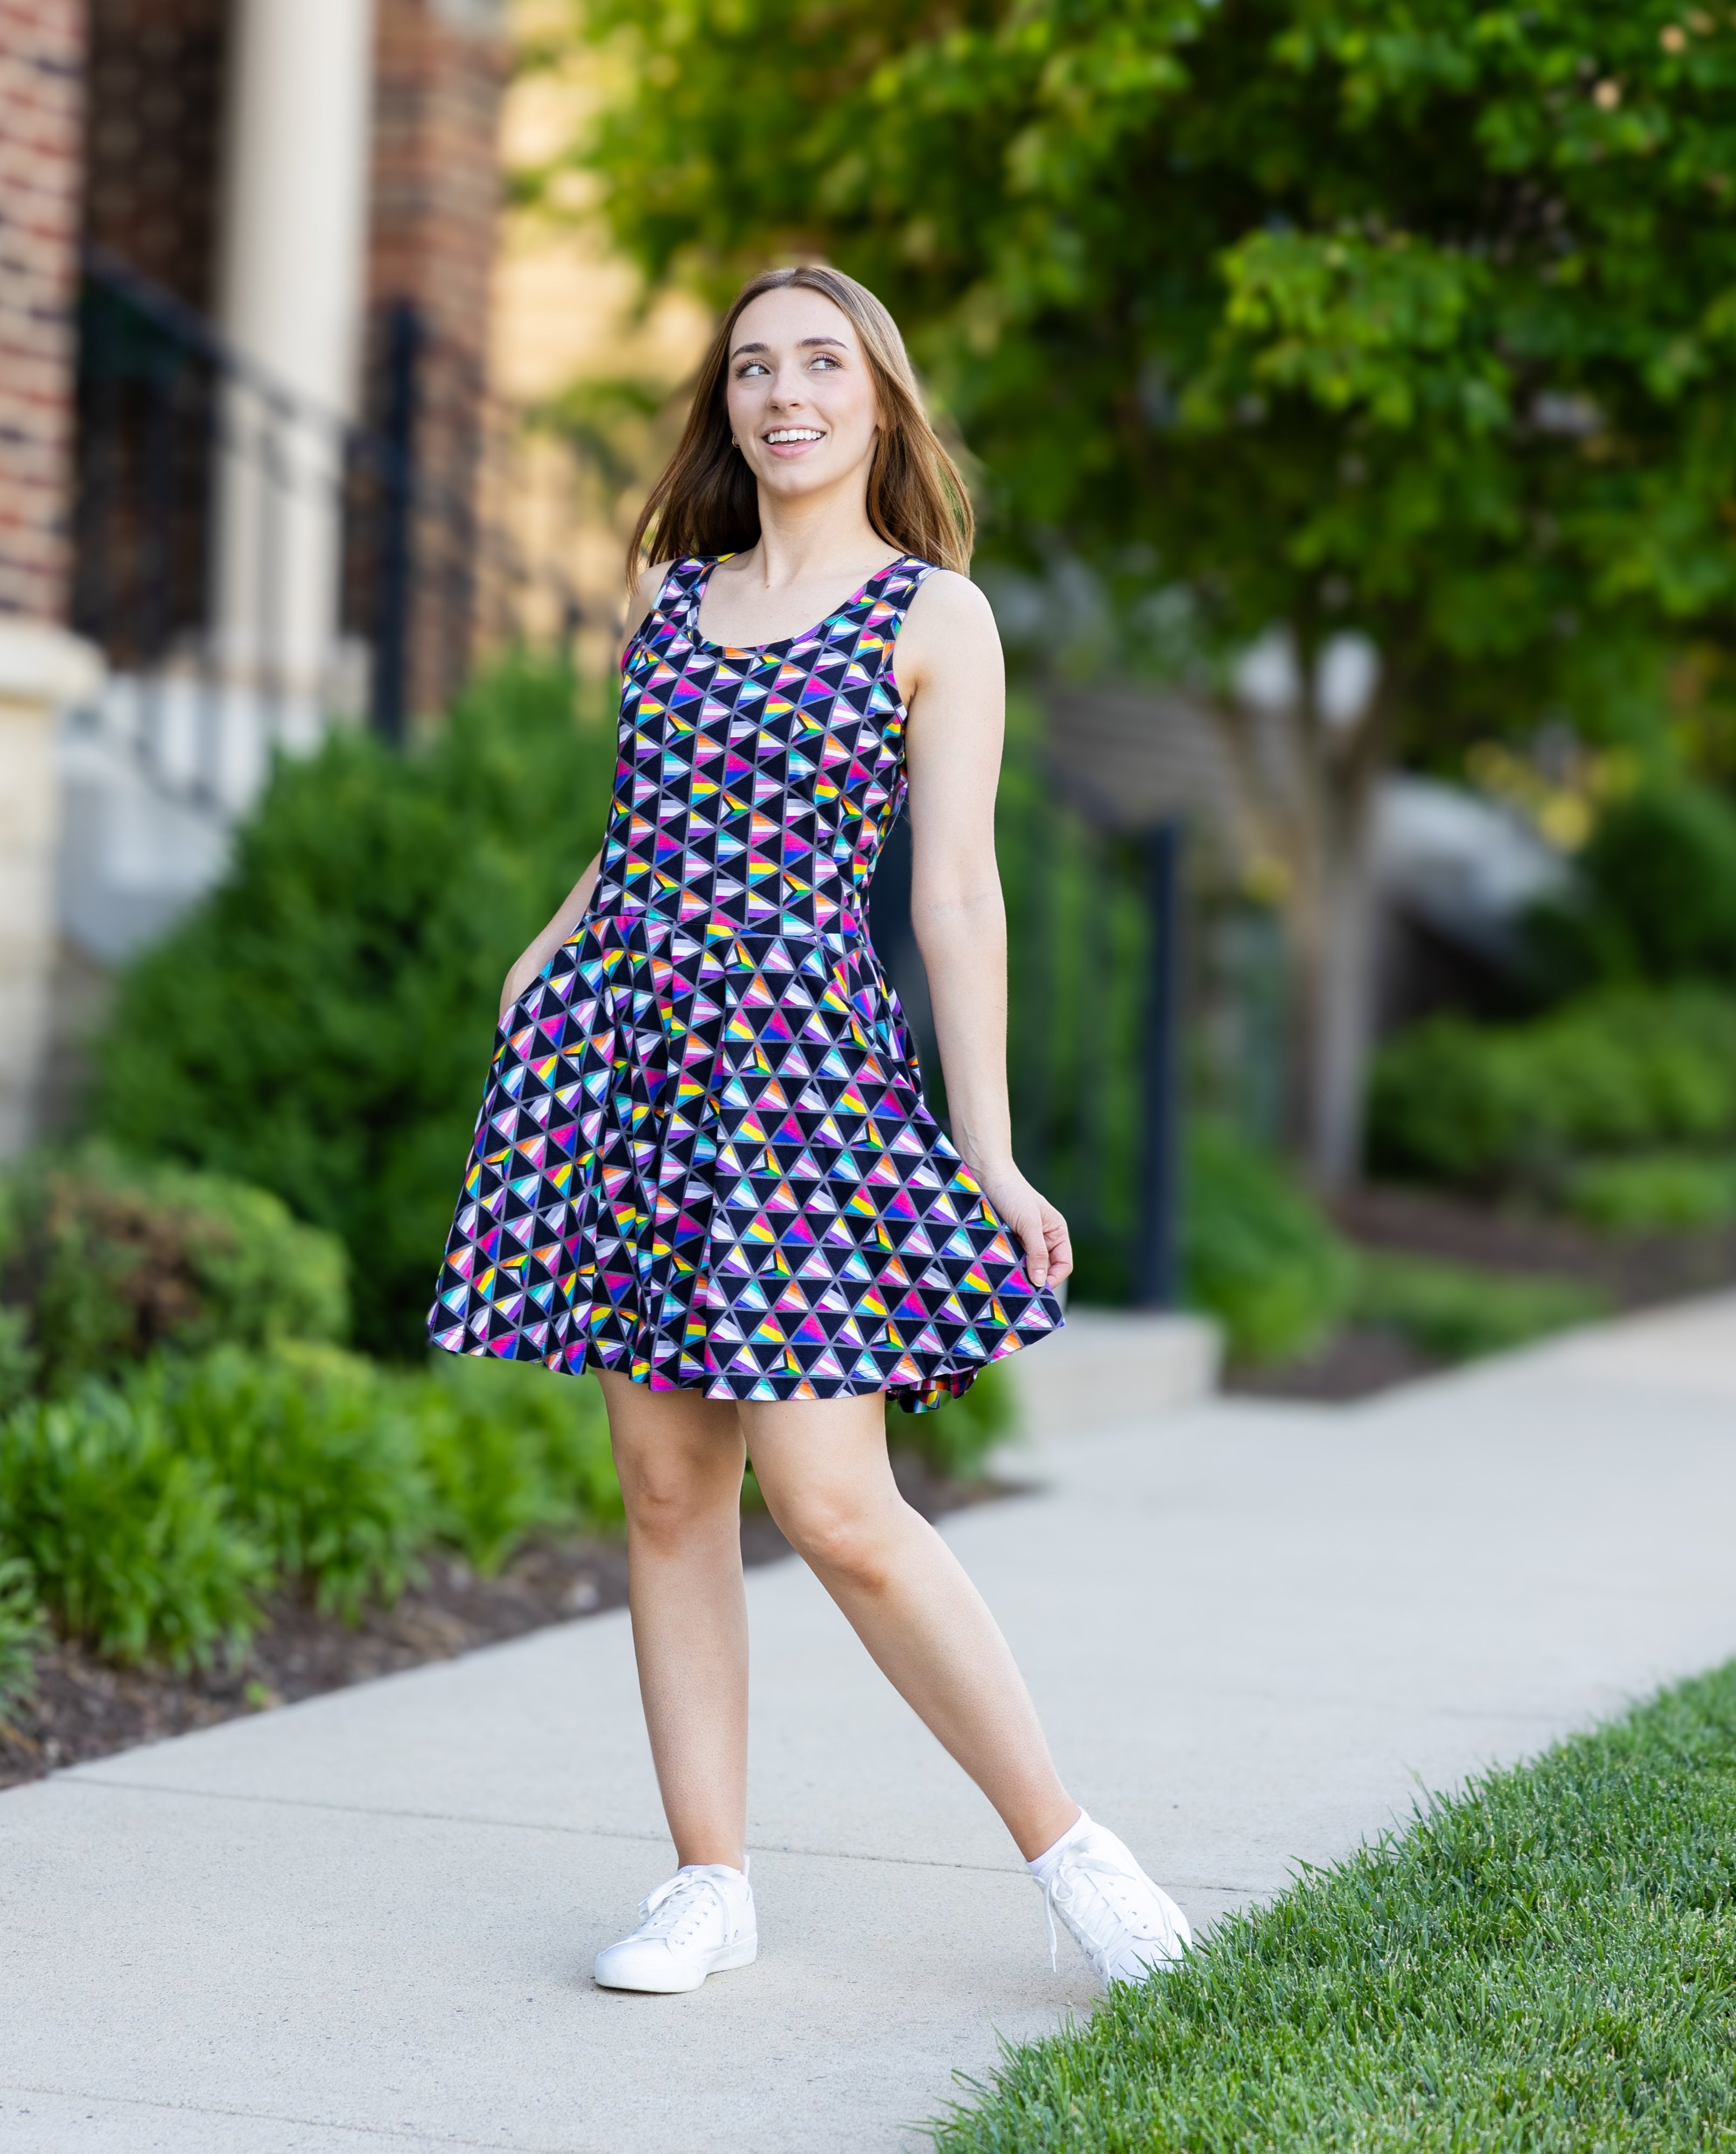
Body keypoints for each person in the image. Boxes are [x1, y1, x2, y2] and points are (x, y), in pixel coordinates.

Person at [429, 264, 1191, 1995]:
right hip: (633, 1065)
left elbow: (959, 900)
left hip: (797, 1086)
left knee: (837, 1503)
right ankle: (709, 1882)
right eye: (754, 366)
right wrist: (553, 949)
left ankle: (1071, 1855)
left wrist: (986, 1153)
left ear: (877, 400)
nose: (784, 392)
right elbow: (643, 824)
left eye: (819, 364)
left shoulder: (935, 617)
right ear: (728, 405)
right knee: (665, 1490)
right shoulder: (672, 597)